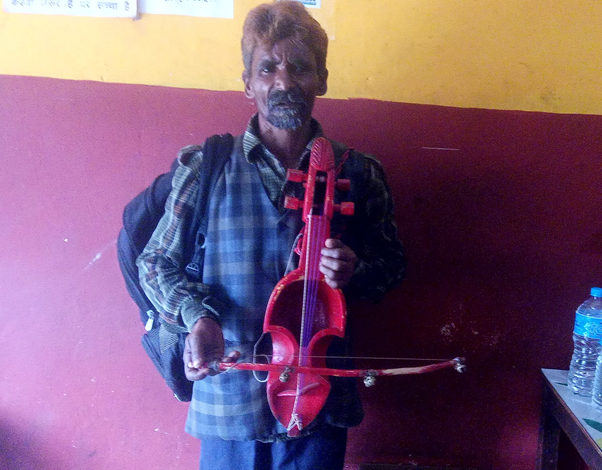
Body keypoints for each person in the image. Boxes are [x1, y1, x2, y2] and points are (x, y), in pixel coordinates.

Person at [137, 1, 406, 469]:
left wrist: (356, 270)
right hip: (228, 403)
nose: (284, 82)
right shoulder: (206, 166)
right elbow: (155, 263)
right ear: (248, 83)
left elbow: (392, 268)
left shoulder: (360, 173)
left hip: (318, 399)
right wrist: (197, 317)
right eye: (268, 68)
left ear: (321, 79)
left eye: (299, 67)